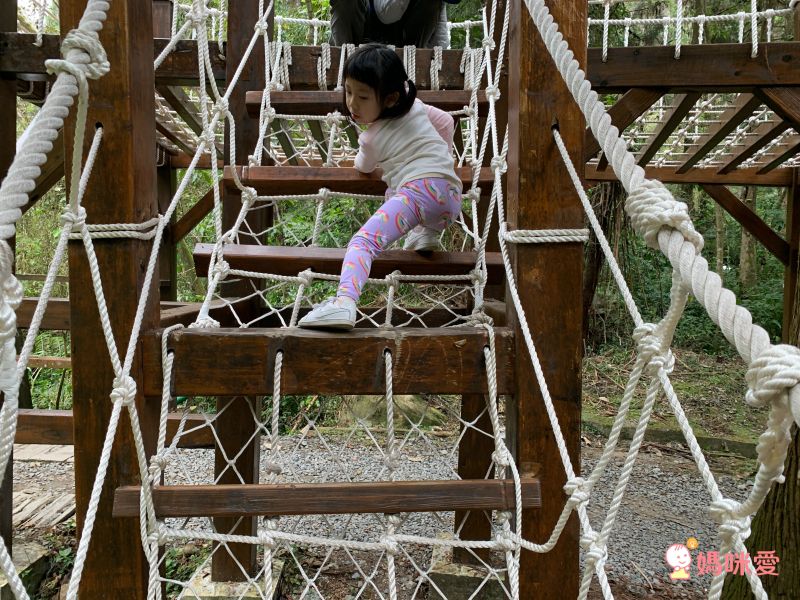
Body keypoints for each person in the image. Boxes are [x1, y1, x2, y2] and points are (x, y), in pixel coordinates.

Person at [298, 44, 461, 330]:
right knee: (403, 198)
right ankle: (428, 235)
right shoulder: (419, 109)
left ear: (390, 99)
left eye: (362, 96)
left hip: (417, 194)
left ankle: (345, 303)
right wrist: (442, 160)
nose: (352, 104)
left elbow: (363, 167)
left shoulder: (371, 138)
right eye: (348, 91)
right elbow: (447, 122)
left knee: (363, 242)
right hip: (450, 197)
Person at [329, 0, 452, 49]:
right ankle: (345, 56)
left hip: (409, 45)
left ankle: (415, 60)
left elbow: (438, 14)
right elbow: (386, 13)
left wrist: (437, 56)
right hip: (358, 40)